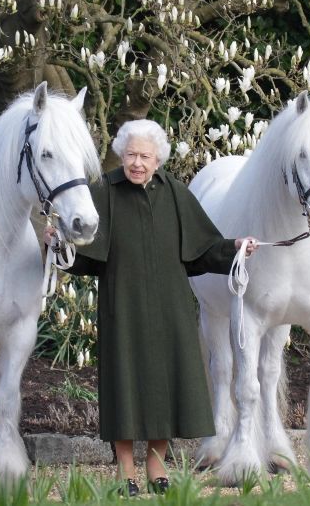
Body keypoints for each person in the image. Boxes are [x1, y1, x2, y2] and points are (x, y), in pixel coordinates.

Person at [45, 119, 257, 496]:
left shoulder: (175, 193)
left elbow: (202, 250)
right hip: (122, 306)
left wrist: (235, 247)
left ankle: (156, 464)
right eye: (131, 155)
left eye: (145, 156)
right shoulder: (104, 191)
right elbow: (84, 255)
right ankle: (125, 469)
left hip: (169, 308)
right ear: (121, 155)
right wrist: (57, 243)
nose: (137, 163)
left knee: (166, 386)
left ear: (158, 159)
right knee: (124, 386)